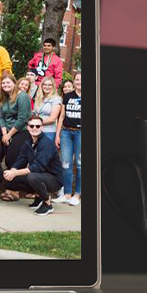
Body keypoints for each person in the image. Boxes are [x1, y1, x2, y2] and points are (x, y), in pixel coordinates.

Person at [2, 115, 64, 216]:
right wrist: (12, 170)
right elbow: (21, 159)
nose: (34, 128)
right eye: (32, 126)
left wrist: (15, 173)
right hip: (40, 175)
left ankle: (47, 203)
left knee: (32, 176)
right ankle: (39, 198)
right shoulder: (28, 142)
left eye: (38, 126)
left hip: (54, 179)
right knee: (10, 180)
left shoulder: (45, 143)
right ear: (28, 127)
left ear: (42, 127)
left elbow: (37, 167)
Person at [0, 72, 32, 201]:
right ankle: (9, 189)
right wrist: (5, 134)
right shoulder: (4, 97)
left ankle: (15, 191)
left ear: (14, 83)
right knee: (7, 160)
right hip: (7, 133)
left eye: (8, 82)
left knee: (14, 159)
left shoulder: (22, 97)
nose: (5, 85)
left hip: (21, 132)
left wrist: (9, 134)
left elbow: (22, 119)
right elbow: (1, 117)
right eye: (3, 83)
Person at [55, 71, 82, 206]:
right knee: (66, 164)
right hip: (66, 132)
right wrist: (58, 135)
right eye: (77, 80)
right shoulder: (67, 96)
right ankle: (66, 194)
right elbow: (61, 117)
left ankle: (77, 195)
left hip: (80, 133)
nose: (79, 82)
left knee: (80, 164)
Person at [34, 76, 62, 144]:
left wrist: (35, 123)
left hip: (48, 132)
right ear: (42, 85)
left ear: (53, 86)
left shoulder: (56, 98)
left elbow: (52, 119)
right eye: (45, 84)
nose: (47, 86)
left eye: (49, 85)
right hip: (36, 131)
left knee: (46, 154)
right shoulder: (39, 97)